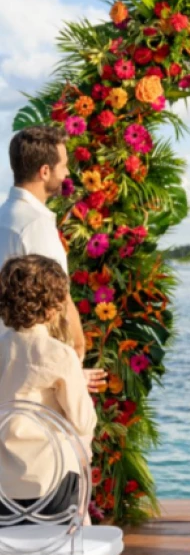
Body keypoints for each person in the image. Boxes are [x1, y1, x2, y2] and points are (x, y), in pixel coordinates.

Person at [0, 127, 104, 393]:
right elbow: (52, 301)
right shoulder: (34, 226)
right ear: (44, 171)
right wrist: (71, 369)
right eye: (64, 166)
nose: (67, 173)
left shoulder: (5, 216)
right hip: (32, 372)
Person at [0, 255, 97, 524]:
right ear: (54, 307)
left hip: (2, 496)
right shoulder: (59, 355)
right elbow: (83, 421)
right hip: (50, 491)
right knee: (76, 443)